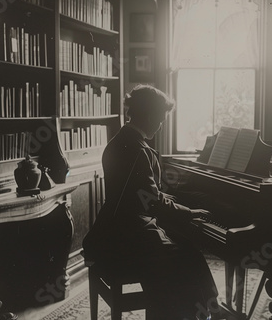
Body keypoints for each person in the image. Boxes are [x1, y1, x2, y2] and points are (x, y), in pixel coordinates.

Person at [82, 85, 218, 320]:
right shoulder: (137, 150)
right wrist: (187, 212)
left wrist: (179, 207)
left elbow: (145, 194)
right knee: (187, 258)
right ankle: (196, 312)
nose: (161, 124)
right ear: (150, 115)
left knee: (187, 254)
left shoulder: (121, 141)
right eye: (161, 117)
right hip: (127, 236)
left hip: (116, 228)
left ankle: (199, 311)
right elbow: (151, 201)